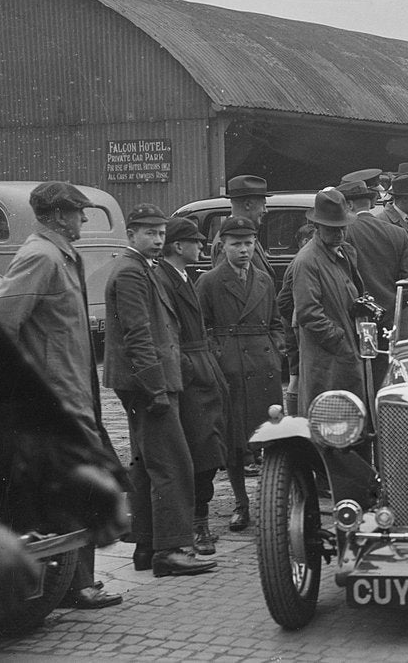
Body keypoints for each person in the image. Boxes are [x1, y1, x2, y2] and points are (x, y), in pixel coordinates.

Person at [0, 181, 125, 609]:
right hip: (57, 393)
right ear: (59, 216)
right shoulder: (39, 257)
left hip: (75, 387)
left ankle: (72, 582)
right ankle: (78, 585)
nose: (84, 219)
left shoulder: (62, 256)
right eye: (79, 213)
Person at [105, 204, 216, 578]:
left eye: (160, 233)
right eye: (149, 233)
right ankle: (171, 550)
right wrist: (155, 388)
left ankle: (146, 544)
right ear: (131, 234)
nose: (157, 240)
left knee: (146, 464)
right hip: (149, 383)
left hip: (147, 381)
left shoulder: (141, 269)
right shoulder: (132, 273)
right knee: (173, 464)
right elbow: (138, 336)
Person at [196, 216, 285, 532]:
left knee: (270, 439)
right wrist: (218, 355)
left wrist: (275, 349)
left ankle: (271, 502)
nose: (244, 250)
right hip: (231, 369)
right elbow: (200, 328)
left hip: (264, 369)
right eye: (236, 244)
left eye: (249, 243)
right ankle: (241, 504)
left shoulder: (264, 280)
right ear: (222, 246)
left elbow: (276, 321)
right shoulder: (209, 282)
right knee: (235, 444)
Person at [156, 217, 228, 555]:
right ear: (177, 246)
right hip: (189, 374)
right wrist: (187, 366)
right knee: (199, 451)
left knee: (210, 448)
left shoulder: (184, 277)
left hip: (202, 369)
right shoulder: (164, 279)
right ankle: (196, 525)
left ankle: (199, 520)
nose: (201, 247)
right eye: (195, 242)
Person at [340, 179, 408, 394]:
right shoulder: (397, 234)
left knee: (359, 380)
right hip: (388, 320)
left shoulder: (344, 234)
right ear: (370, 203)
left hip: (354, 320)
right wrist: (394, 309)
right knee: (385, 376)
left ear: (350, 205)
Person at [292, 188, 366, 405]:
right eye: (333, 229)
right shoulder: (307, 261)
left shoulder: (346, 252)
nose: (340, 234)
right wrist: (340, 341)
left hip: (346, 353)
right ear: (317, 227)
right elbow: (308, 314)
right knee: (328, 421)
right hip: (326, 360)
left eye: (343, 228)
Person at [277, 223, 314, 416]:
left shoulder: (299, 261)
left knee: (296, 374)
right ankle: (294, 420)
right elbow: (283, 302)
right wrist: (296, 320)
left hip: (294, 324)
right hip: (294, 327)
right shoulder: (300, 262)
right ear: (305, 242)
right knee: (296, 375)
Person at [210, 174, 273, 281]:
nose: (265, 210)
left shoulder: (243, 234)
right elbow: (227, 287)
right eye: (263, 205)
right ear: (248, 204)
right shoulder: (226, 242)